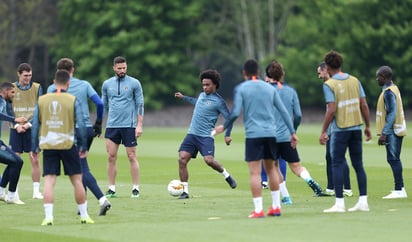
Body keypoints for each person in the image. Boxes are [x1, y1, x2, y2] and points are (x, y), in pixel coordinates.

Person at [213, 59, 298, 218]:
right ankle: (276, 207)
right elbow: (285, 112)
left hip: (254, 135)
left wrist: (223, 127)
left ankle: (258, 210)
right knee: (272, 169)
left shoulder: (241, 88)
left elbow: (236, 112)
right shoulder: (269, 88)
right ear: (258, 72)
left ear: (244, 73)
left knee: (255, 173)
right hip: (271, 134)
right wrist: (292, 132)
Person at [47, 58, 111, 215]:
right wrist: (98, 123)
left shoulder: (51, 88)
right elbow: (100, 104)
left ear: (58, 72)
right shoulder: (84, 84)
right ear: (72, 70)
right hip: (87, 130)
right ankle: (83, 205)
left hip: (69, 131)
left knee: (81, 169)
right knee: (79, 166)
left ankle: (102, 200)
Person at [30, 69, 94, 225]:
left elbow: (35, 125)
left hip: (49, 145)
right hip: (68, 145)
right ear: (68, 83)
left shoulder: (42, 100)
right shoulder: (72, 99)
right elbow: (81, 124)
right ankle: (84, 216)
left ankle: (48, 217)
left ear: (54, 82)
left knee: (49, 181)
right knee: (77, 181)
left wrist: (34, 147)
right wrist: (83, 146)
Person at [319, 50, 371, 213]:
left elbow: (331, 109)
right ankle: (363, 201)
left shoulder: (329, 84)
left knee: (337, 163)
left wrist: (323, 131)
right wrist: (368, 126)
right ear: (340, 64)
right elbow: (363, 104)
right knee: (358, 165)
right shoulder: (355, 80)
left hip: (340, 129)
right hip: (357, 127)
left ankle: (339, 203)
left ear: (327, 67)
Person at [264, 61, 325, 200]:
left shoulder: (265, 90)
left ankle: (285, 197)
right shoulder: (291, 91)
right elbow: (298, 115)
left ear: (267, 75)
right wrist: (293, 131)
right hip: (286, 135)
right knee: (296, 166)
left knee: (273, 167)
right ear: (282, 74)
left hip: (269, 136)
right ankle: (309, 180)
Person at [174, 69, 237, 199]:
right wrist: (183, 97)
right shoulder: (202, 96)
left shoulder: (219, 102)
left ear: (215, 85)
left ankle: (226, 175)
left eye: (207, 85)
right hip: (192, 134)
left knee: (209, 161)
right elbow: (195, 101)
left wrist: (227, 134)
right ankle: (185, 191)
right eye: (203, 85)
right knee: (182, 159)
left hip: (205, 137)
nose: (205, 87)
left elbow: (230, 118)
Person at [102, 56, 144, 198]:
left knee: (132, 156)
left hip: (129, 125)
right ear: (114, 68)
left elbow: (140, 104)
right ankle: (112, 189)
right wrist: (99, 124)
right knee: (111, 157)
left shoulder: (134, 83)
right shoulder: (107, 84)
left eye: (124, 68)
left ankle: (136, 188)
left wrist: (139, 125)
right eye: (119, 68)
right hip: (112, 125)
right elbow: (103, 105)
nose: (122, 70)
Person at [317, 62, 352, 197]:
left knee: (339, 157)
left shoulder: (333, 85)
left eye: (320, 73)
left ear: (326, 70)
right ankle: (331, 187)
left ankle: (347, 188)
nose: (319, 76)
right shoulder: (329, 84)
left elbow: (333, 109)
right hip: (334, 126)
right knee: (329, 156)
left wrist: (325, 130)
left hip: (338, 127)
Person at [9, 63, 43, 199]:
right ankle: (14, 190)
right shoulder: (11, 88)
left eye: (30, 75)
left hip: (32, 128)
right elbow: (7, 109)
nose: (28, 78)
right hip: (15, 128)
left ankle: (36, 191)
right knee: (15, 160)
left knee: (34, 158)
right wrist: (16, 125)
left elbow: (40, 109)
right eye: (25, 75)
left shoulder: (37, 87)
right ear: (19, 74)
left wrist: (28, 125)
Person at [375, 66, 407, 199]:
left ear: (384, 76)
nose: (377, 79)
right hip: (397, 128)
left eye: (378, 77)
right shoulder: (394, 87)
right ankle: (401, 188)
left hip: (393, 130)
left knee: (393, 159)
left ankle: (398, 189)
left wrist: (384, 133)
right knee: (394, 158)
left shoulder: (388, 92)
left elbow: (392, 113)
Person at [0, 82, 26, 204]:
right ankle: (10, 196)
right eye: (12, 92)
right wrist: (14, 120)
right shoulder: (1, 101)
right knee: (17, 162)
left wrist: (15, 123)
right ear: (4, 92)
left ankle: (2, 192)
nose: (14, 95)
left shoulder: (4, 102)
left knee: (15, 161)